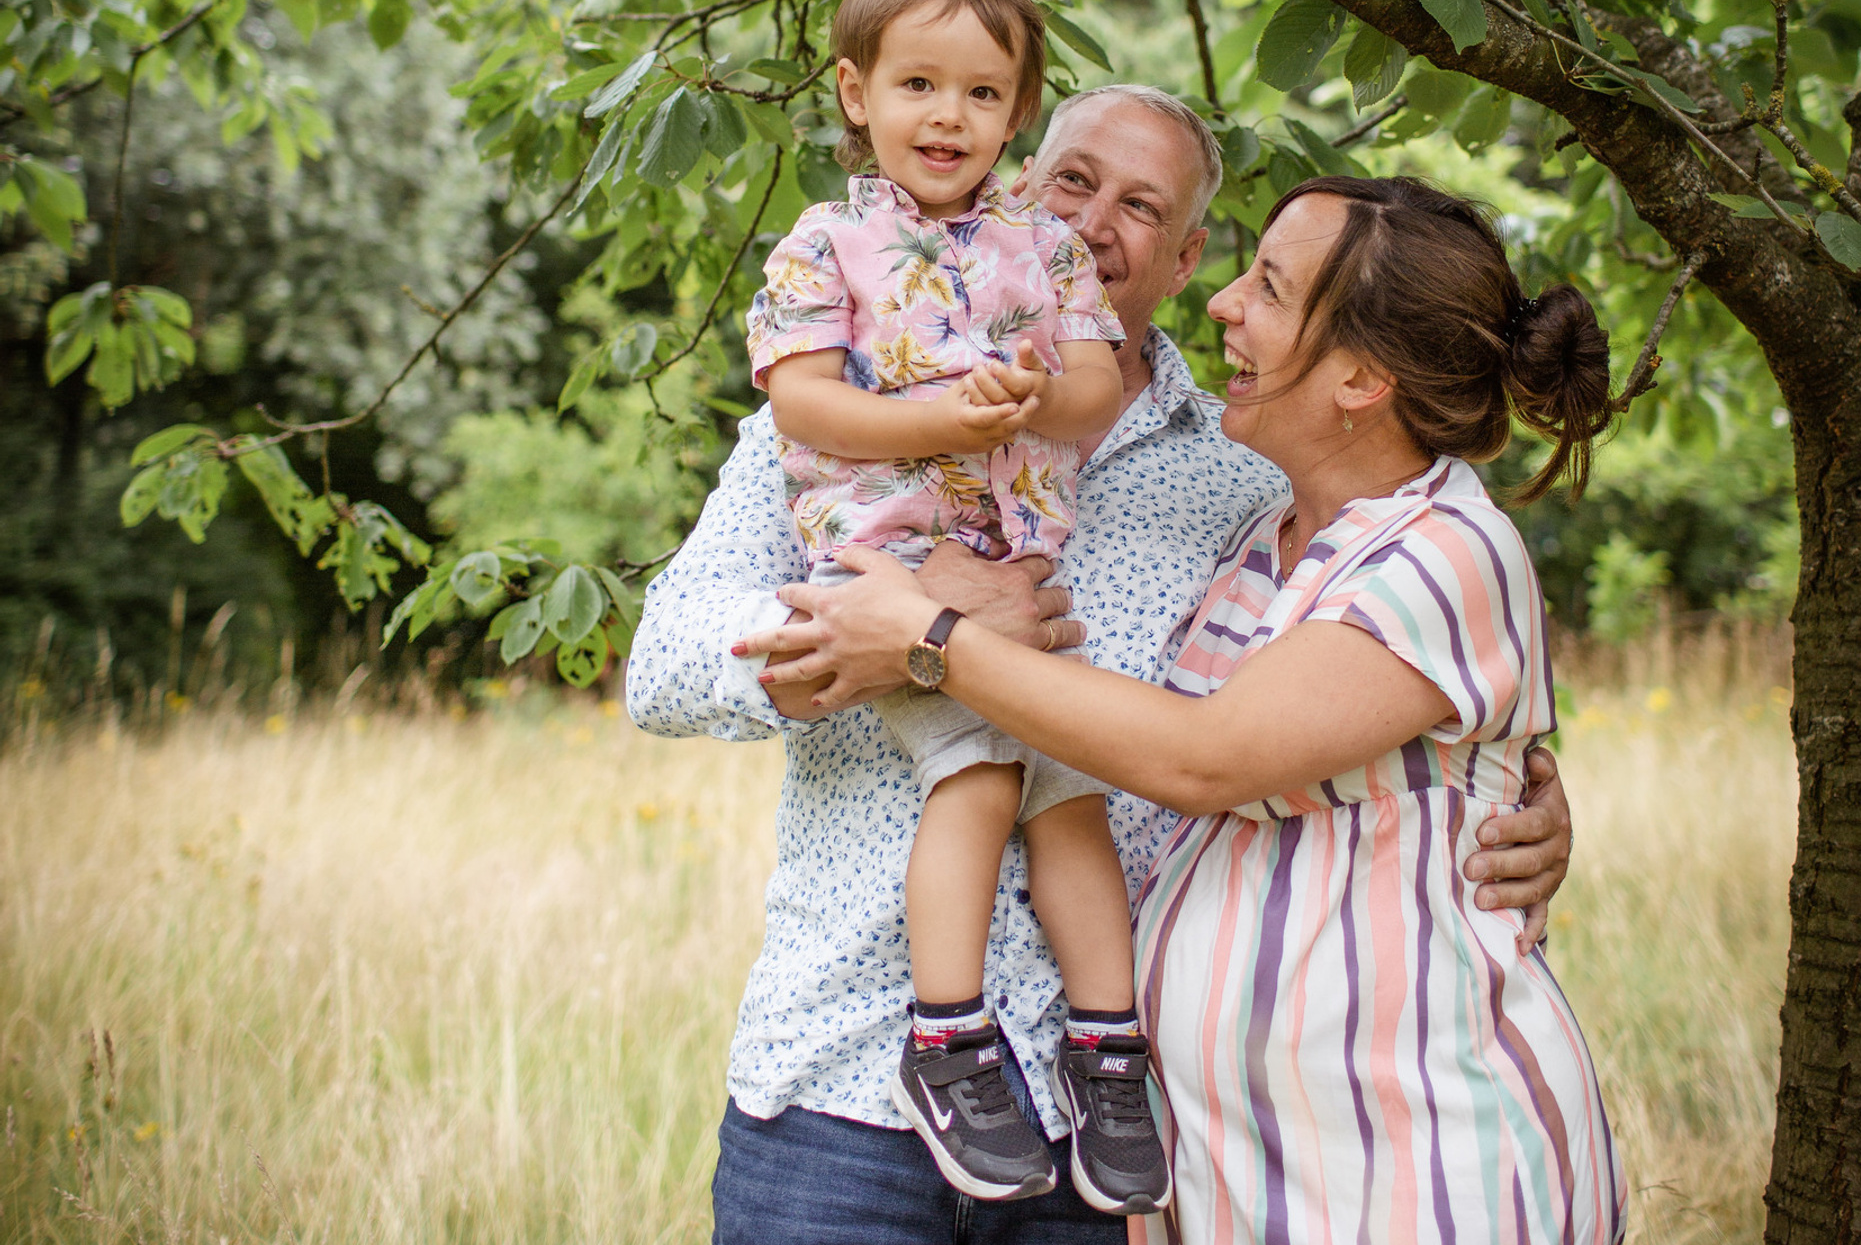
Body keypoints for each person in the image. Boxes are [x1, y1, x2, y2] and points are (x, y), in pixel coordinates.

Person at [628, 93, 1576, 1245]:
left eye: (1142, 207)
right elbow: (665, 664)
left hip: (1113, 1122)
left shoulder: (1251, 473)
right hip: (843, 1083)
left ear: (1183, 261)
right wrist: (870, 637)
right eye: (1071, 183)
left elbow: (1362, 711)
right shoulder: (839, 414)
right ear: (1016, 190)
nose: (1091, 224)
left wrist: (1521, 797)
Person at [747, 0, 1160, 1212]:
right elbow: (799, 402)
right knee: (978, 780)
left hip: (1015, 572)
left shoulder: (1044, 247)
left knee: (1071, 797)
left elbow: (1092, 387)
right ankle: (950, 1034)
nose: (949, 116)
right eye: (919, 83)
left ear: (1018, 114)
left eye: (982, 94)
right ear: (855, 89)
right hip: (891, 560)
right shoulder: (829, 241)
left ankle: (1108, 1045)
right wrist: (949, 421)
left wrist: (1039, 390)